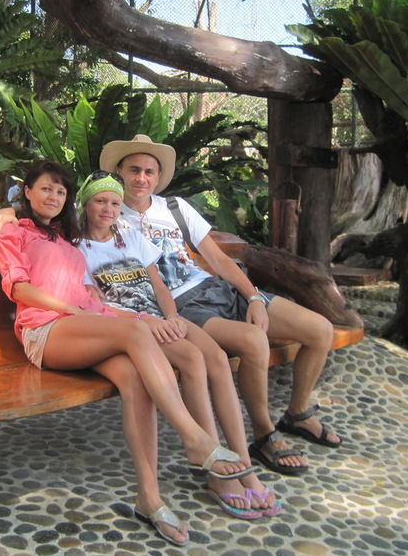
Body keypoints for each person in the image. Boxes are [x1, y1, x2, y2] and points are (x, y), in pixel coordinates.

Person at [0, 136, 340, 475]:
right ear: (119, 176)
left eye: (150, 172)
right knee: (243, 342)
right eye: (133, 171)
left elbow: (215, 260)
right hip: (142, 313)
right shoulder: (93, 223)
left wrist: (252, 297)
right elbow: (46, 259)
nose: (141, 179)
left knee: (312, 331)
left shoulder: (172, 208)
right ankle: (238, 437)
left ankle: (261, 439)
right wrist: (9, 210)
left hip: (192, 296)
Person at [0, 159, 251, 546]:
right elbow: (19, 289)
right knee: (136, 326)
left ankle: (149, 498)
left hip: (85, 325)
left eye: (60, 191)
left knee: (135, 379)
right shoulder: (13, 231)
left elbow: (96, 259)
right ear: (27, 191)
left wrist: (88, 306)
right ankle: (193, 437)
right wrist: (5, 210)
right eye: (45, 188)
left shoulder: (64, 235)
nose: (53, 196)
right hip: (46, 328)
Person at [74, 171, 281, 518]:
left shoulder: (130, 235)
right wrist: (148, 321)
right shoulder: (78, 248)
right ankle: (213, 466)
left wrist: (171, 317)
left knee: (215, 357)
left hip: (164, 318)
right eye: (99, 201)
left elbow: (159, 286)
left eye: (113, 201)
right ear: (86, 203)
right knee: (192, 359)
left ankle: (243, 462)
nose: (108, 208)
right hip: (134, 326)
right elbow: (95, 303)